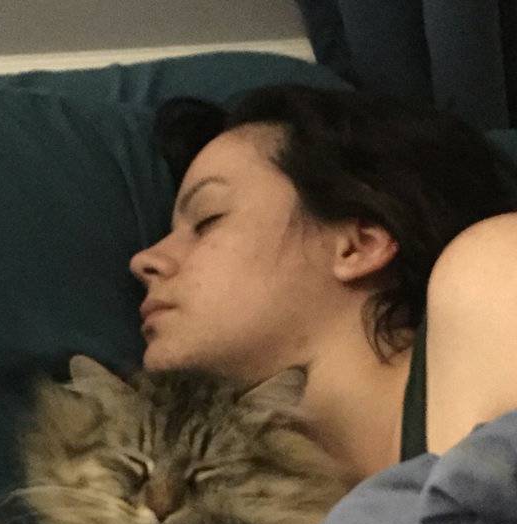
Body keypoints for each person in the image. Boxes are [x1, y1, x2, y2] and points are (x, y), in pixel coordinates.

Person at [129, 84, 517, 481]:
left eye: (207, 219)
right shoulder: (305, 504)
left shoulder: (491, 267)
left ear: (358, 244)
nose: (144, 260)